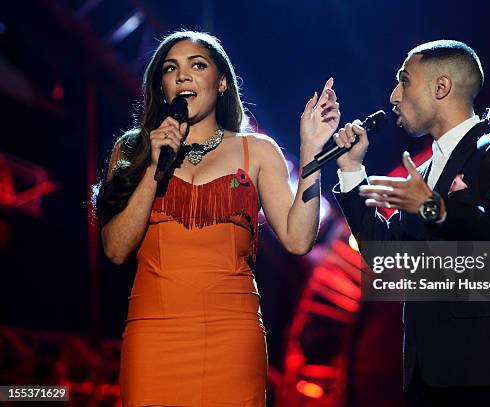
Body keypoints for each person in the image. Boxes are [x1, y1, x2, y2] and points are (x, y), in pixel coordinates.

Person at [93, 31, 340, 406]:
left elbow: (298, 240)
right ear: (161, 85)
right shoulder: (132, 150)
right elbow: (115, 248)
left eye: (198, 65)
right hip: (153, 336)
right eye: (171, 69)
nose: (183, 76)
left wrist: (312, 154)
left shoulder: (256, 151)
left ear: (221, 82)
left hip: (232, 336)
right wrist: (153, 169)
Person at [331, 40, 490, 406]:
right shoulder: (423, 172)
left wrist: (432, 207)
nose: (393, 95)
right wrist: (350, 170)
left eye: (404, 81)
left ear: (441, 87)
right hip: (425, 375)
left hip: (485, 371)